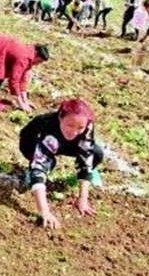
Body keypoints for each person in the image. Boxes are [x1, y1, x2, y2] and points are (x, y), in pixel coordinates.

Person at [19, 98, 104, 229]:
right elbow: (39, 165)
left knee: (96, 153)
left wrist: (83, 198)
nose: (75, 131)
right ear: (60, 118)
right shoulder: (47, 125)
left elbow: (86, 155)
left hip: (66, 143)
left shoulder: (86, 126)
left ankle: (91, 173)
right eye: (70, 125)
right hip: (32, 142)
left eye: (80, 128)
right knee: (45, 165)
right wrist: (45, 211)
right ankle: (33, 178)